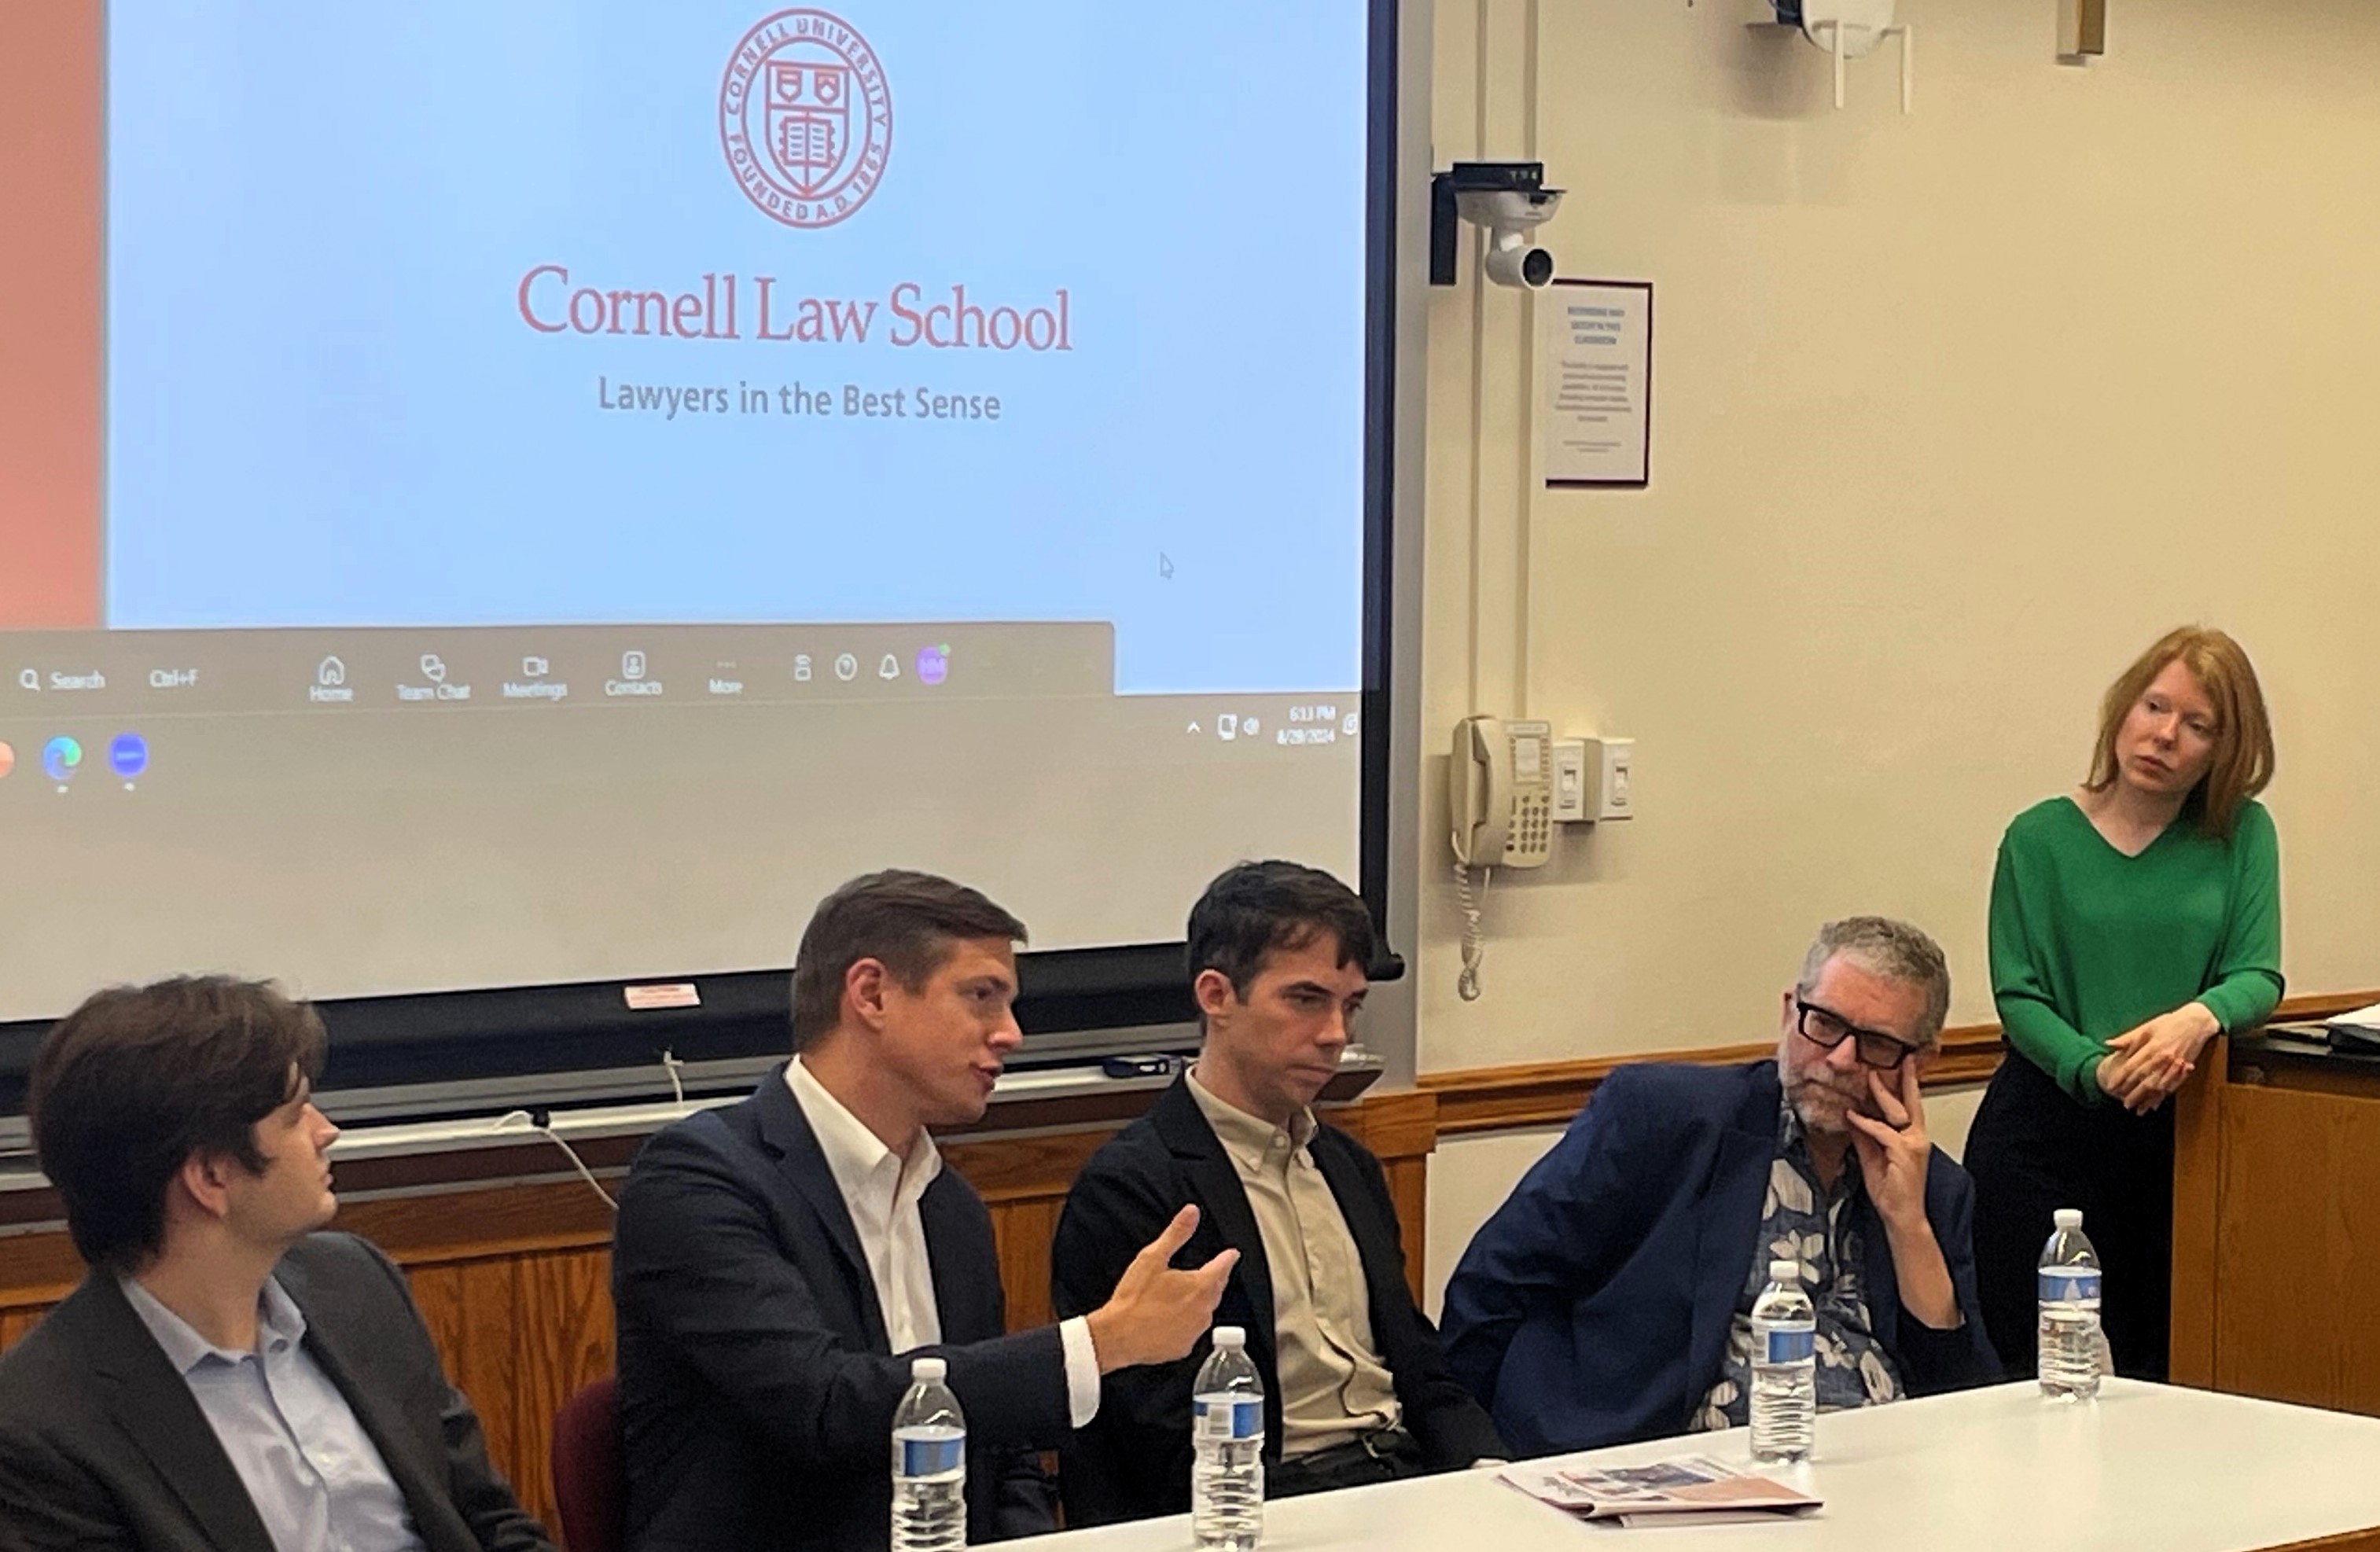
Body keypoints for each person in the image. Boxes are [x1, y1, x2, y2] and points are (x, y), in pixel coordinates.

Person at [611, 870, 1238, 1552]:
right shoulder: (698, 1178)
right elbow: (823, 1408)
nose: (1011, 1035)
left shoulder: (949, 1205)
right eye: (980, 998)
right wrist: (1103, 1342)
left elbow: (1006, 1453)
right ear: (872, 994)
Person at [0, 976, 554, 1552]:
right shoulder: (41, 1426)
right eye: (294, 1116)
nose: (326, 1131)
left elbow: (488, 1522)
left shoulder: (357, 1284)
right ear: (212, 1177)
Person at [1050, 862, 1504, 1527]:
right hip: (1260, 1501)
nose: (1335, 1034)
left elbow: (1415, 1360)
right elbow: (1155, 1431)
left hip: (1401, 1478)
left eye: (1349, 1005)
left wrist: (1487, 1473)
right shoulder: (1133, 1185)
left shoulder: (1347, 1165)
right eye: (1305, 999)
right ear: (1216, 996)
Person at [1440, 918, 1999, 1457]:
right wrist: (1469, 1457)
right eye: (1823, 1023)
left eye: (1874, 1044)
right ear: (1788, 1011)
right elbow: (1494, 1282)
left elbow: (1963, 1401)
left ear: (1920, 1063)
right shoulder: (1663, 1119)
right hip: (1682, 1465)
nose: (1838, 1059)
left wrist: (1909, 1227)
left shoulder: (1934, 1188)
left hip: (1877, 1472)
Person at [1964, 626, 2281, 1381]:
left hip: (2179, 1140)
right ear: (2123, 709)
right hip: (2041, 1135)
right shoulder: (2037, 837)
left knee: (2161, 1371)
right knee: (2027, 1374)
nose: (2164, 735)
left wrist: (2193, 1020)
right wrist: (2094, 1069)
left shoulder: (2240, 835)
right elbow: (2018, 993)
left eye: (2196, 725)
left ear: (2222, 748)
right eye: (2154, 706)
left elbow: (2256, 976)